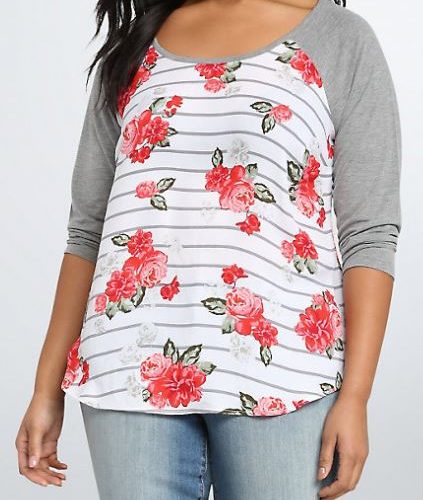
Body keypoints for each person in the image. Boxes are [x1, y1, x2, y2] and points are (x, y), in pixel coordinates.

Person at [15, 0, 402, 499]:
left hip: (284, 372)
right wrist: (46, 388)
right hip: (128, 369)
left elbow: (369, 232)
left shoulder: (338, 38)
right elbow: (87, 231)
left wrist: (357, 395)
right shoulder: (134, 46)